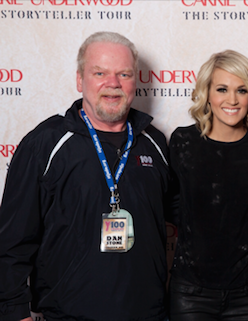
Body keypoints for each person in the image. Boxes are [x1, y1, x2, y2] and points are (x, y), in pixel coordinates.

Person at [0, 32, 170, 320]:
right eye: (100, 72)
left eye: (124, 74)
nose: (113, 83)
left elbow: (183, 217)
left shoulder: (154, 141)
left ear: (135, 81)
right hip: (69, 314)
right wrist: (14, 312)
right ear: (80, 80)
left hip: (148, 313)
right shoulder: (45, 143)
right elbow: (12, 241)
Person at [168, 50, 248, 321]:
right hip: (190, 293)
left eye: (241, 90)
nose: (232, 100)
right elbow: (171, 203)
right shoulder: (183, 142)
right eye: (222, 89)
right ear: (207, 94)